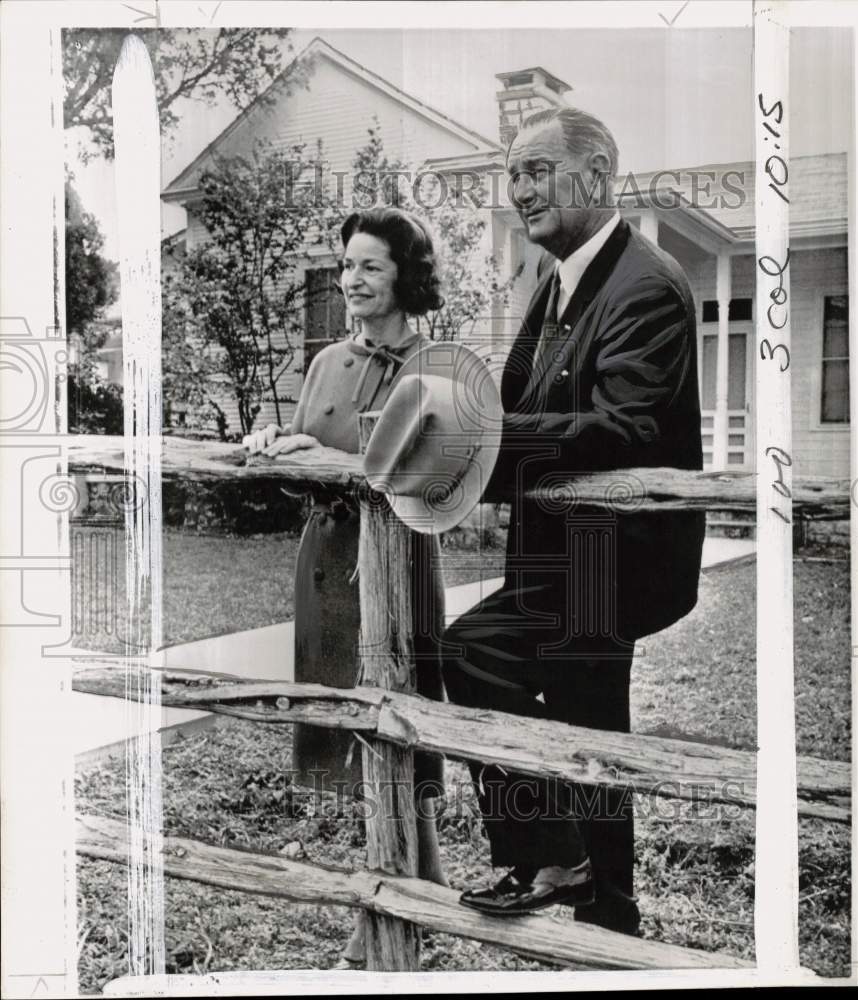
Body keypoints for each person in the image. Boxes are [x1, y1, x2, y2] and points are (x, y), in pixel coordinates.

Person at [441, 107, 705, 932]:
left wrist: (479, 441)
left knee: (474, 649)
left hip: (613, 559)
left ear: (594, 177)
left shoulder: (646, 284)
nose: (517, 191)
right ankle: (609, 908)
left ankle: (548, 855)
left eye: (534, 171)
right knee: (591, 722)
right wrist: (441, 441)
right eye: (511, 175)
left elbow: (623, 428)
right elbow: (512, 408)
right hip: (560, 556)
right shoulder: (555, 282)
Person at [244, 206, 449, 966]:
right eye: (346, 265)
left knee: (400, 733)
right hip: (328, 568)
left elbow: (429, 482)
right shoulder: (329, 361)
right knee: (354, 738)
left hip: (400, 575)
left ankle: (390, 921)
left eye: (368, 265)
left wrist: (333, 462)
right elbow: (307, 473)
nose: (349, 279)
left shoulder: (439, 367)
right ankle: (417, 904)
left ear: (405, 275)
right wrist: (276, 447)